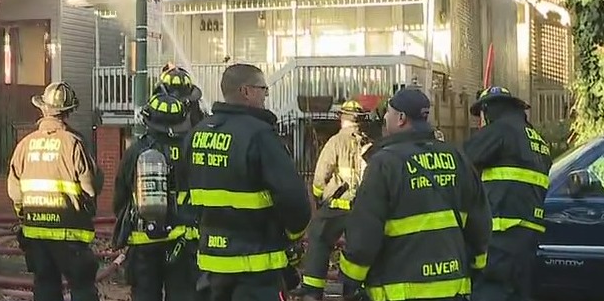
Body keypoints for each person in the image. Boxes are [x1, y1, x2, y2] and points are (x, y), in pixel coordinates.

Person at [340, 88, 492, 301]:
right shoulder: (457, 158)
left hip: (399, 291)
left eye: (389, 112)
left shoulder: (384, 164)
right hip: (453, 290)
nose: (384, 117)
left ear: (401, 118)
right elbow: (480, 221)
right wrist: (477, 265)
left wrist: (350, 279)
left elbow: (365, 233)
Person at [182, 63, 310, 301]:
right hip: (256, 270)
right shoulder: (259, 135)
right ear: (246, 91)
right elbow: (293, 200)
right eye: (263, 89)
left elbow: (184, 193)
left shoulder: (196, 134)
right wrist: (294, 236)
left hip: (210, 267)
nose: (265, 95)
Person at [8, 82, 103, 301]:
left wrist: (25, 214)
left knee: (45, 288)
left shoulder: (24, 145)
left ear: (43, 109)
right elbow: (90, 187)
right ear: (67, 112)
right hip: (70, 235)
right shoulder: (73, 144)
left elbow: (15, 192)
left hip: (36, 234)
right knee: (82, 289)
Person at [463, 86, 551, 301]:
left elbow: (461, 162)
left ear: (488, 110)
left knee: (491, 293)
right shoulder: (536, 139)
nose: (480, 124)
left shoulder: (501, 130)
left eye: (480, 117)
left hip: (501, 234)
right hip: (527, 236)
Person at [113, 87, 198, 301]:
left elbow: (120, 196)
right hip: (183, 241)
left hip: (144, 241)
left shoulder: (136, 150)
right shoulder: (192, 148)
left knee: (145, 296)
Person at [298, 100, 371, 301]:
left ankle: (312, 290)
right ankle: (353, 291)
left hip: (336, 208)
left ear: (341, 118)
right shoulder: (368, 143)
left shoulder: (336, 142)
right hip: (362, 210)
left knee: (318, 239)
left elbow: (321, 175)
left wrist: (318, 195)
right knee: (358, 250)